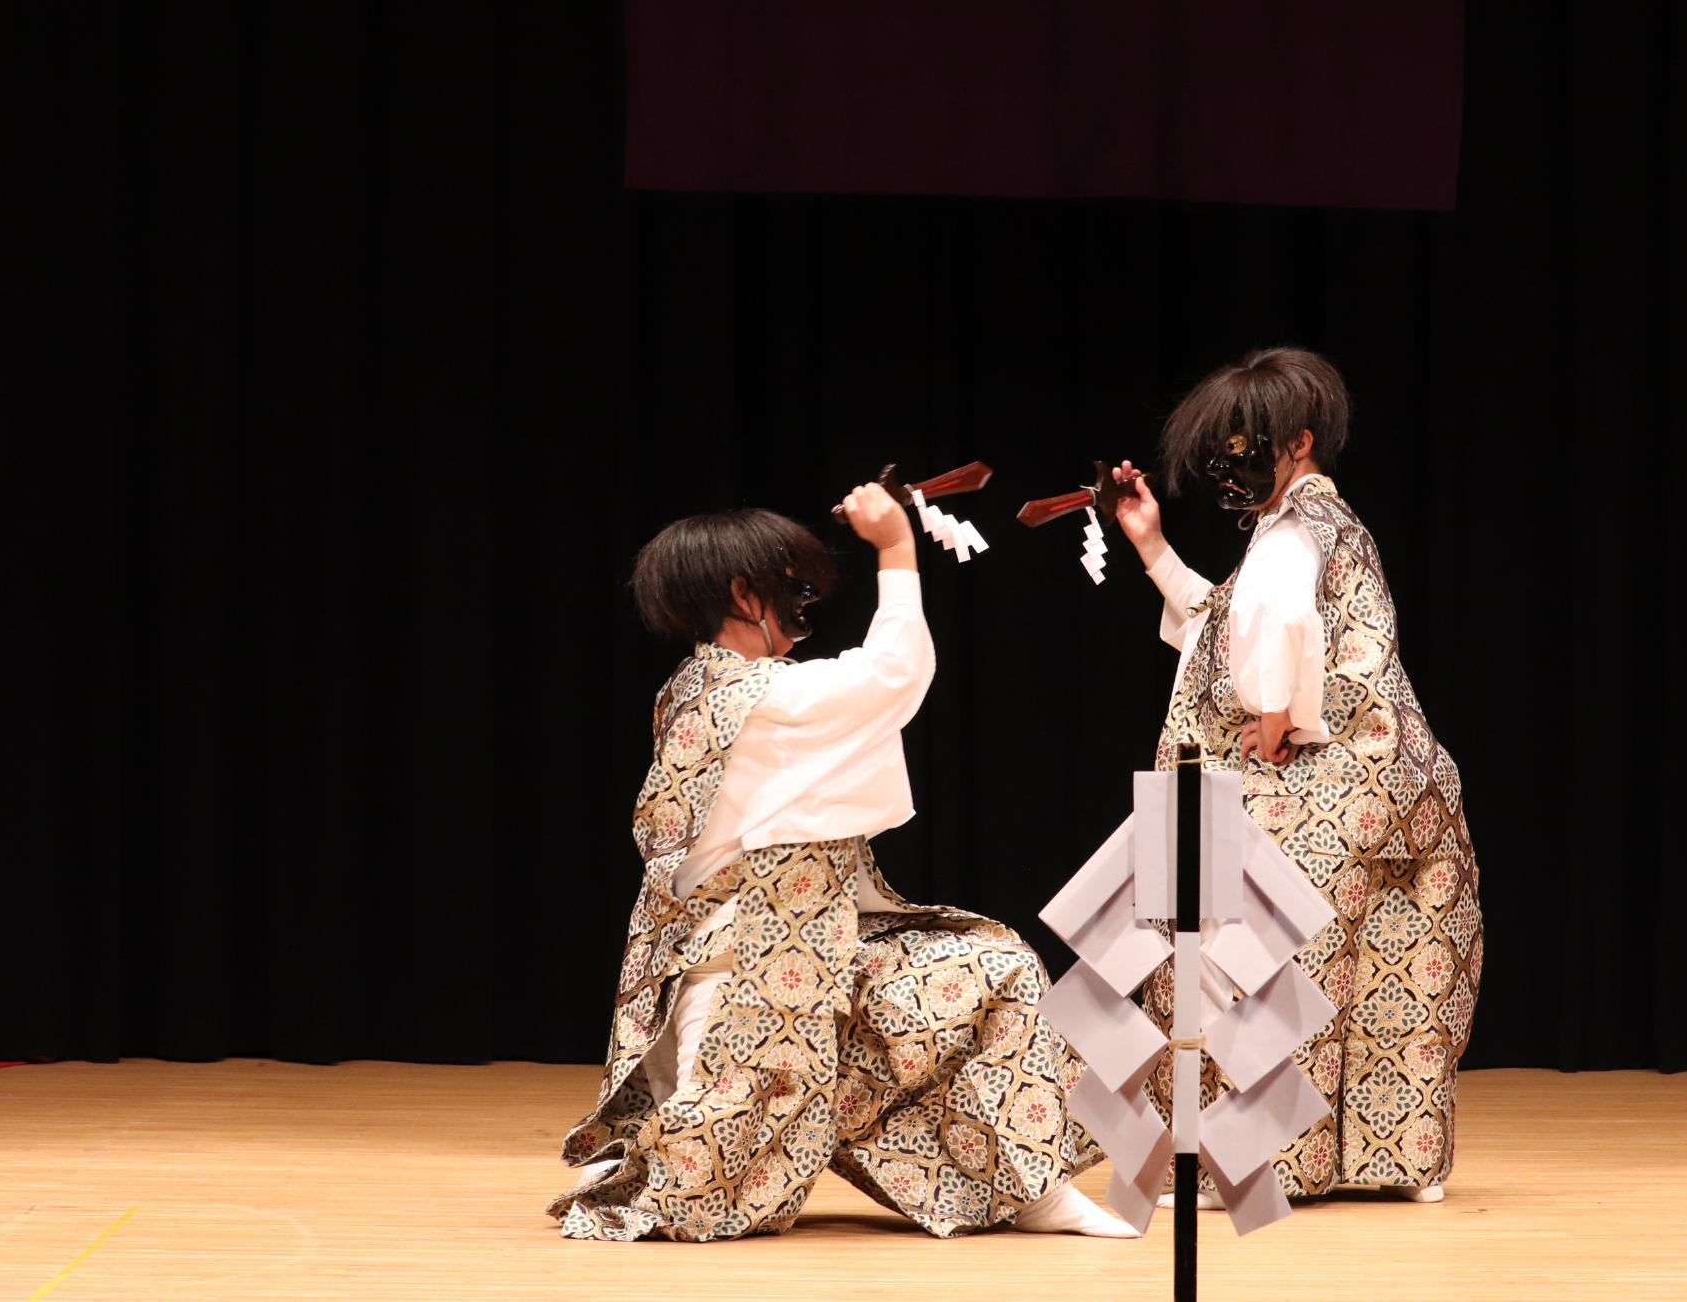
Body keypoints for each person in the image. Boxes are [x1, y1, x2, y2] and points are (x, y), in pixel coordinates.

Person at [549, 485, 1129, 1241]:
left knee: (992, 970)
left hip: (797, 953)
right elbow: (893, 675)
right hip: (746, 975)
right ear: (740, 591)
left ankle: (1031, 1187)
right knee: (704, 1185)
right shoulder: (763, 696)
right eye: (791, 583)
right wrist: (894, 546)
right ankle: (660, 1149)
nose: (805, 598)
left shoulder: (697, 684)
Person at [1111, 348, 1483, 1204]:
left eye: (1246, 445)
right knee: (1401, 966)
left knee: (1238, 957)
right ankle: (1397, 1164)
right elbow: (1233, 621)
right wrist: (1154, 547)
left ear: (1299, 442)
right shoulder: (1336, 525)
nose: (1230, 465)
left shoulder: (1289, 535)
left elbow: (1269, 624)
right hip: (1405, 783)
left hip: (1319, 790)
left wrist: (1275, 712)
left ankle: (1256, 1165)